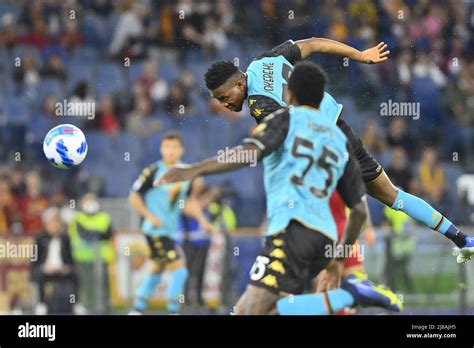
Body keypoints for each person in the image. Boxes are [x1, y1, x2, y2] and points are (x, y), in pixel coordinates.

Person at [203, 37, 473, 264]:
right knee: (394, 197)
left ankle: (341, 281)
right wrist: (360, 55)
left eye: (225, 98)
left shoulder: (259, 103)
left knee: (311, 211)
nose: (225, 105)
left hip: (325, 143)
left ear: (239, 84)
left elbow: (285, 132)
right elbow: (313, 43)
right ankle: (462, 239)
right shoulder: (263, 62)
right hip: (341, 128)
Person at [158, 62, 401, 315]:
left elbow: (249, 152)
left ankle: (350, 294)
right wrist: (339, 258)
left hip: (292, 231)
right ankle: (348, 294)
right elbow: (360, 210)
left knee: (249, 312)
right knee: (263, 312)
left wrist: (195, 169)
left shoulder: (285, 119)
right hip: (325, 238)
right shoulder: (339, 139)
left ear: (290, 95)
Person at [128, 132, 213, 314]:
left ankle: (137, 310)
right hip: (155, 231)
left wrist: (202, 221)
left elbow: (188, 202)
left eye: (174, 147)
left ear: (181, 150)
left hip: (170, 232)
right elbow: (133, 197)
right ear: (161, 149)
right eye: (167, 147)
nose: (170, 151)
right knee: (181, 272)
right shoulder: (152, 172)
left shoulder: (186, 173)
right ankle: (173, 311)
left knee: (156, 271)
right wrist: (149, 216)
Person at [31, 207, 84, 315]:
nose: (55, 226)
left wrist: (67, 268)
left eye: (57, 223)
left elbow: (70, 260)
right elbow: (34, 261)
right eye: (52, 223)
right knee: (40, 275)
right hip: (45, 270)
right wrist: (44, 267)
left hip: (61, 269)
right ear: (46, 224)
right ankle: (42, 304)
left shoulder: (66, 239)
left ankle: (76, 304)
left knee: (76, 275)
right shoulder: (40, 239)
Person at [68, 192, 114, 313]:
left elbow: (107, 235)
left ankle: (104, 307)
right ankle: (87, 308)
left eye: (92, 200)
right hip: (82, 258)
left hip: (101, 257)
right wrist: (96, 233)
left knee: (102, 284)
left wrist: (93, 233)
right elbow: (83, 234)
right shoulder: (77, 217)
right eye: (87, 200)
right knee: (86, 284)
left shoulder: (104, 217)